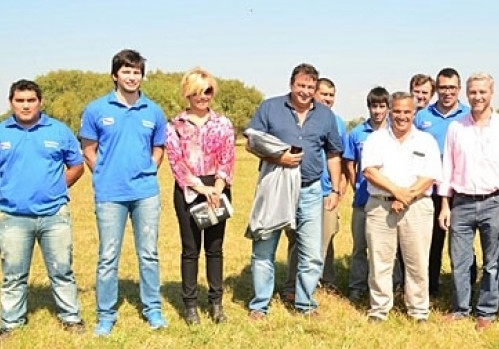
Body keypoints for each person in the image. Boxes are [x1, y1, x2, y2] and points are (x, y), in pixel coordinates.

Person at [79, 49, 168, 336]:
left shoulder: (153, 111)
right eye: (126, 71)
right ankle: (105, 314)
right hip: (109, 194)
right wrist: (104, 173)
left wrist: (150, 168)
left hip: (145, 193)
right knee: (108, 255)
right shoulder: (96, 109)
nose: (132, 77)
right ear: (115, 75)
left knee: (149, 253)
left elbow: (159, 148)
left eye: (137, 72)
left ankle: (153, 309)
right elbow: (88, 150)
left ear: (142, 77)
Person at [246, 63, 343, 319]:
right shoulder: (270, 107)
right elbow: (252, 142)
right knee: (264, 247)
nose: (305, 91)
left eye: (310, 87)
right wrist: (279, 158)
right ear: (292, 85)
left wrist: (335, 189)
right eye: (301, 85)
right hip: (276, 186)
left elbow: (334, 153)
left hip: (310, 190)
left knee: (311, 253)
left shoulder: (325, 115)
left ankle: (305, 304)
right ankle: (259, 305)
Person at [0, 80, 86, 338]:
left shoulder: (58, 131)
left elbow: (77, 165)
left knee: (62, 270)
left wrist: (57, 188)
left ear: (40, 102)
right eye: (20, 100)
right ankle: (11, 323)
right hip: (13, 216)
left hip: (54, 215)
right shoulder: (2, 132)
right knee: (13, 274)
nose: (25, 105)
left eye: (30, 100)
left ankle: (70, 318)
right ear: (11, 103)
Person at [438, 73, 499, 331]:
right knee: (459, 260)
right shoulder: (456, 128)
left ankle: (486, 310)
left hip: (494, 201)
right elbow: (447, 167)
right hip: (461, 202)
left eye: (482, 92)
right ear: (467, 93)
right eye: (473, 92)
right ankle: (461, 308)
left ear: (491, 93)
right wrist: (444, 205)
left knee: (492, 261)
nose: (478, 97)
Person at [362, 92, 442, 322]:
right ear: (389, 111)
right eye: (397, 111)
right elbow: (369, 171)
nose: (402, 116)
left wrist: (406, 196)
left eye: (407, 112)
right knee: (380, 260)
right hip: (381, 206)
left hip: (417, 206)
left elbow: (430, 176)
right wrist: (397, 192)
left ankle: (418, 310)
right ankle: (379, 309)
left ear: (414, 113)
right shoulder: (376, 139)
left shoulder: (426, 141)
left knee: (417, 261)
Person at [165, 68, 235, 325]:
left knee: (215, 249)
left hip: (218, 187)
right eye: (198, 92)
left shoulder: (223, 123)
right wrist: (200, 189)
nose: (203, 97)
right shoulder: (175, 125)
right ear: (188, 93)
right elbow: (176, 161)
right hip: (189, 191)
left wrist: (217, 187)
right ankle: (190, 305)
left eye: (208, 91)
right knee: (190, 249)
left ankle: (216, 304)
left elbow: (228, 157)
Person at [284, 77, 346, 298]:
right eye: (324, 94)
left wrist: (337, 189)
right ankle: (292, 285)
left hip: (326, 191)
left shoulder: (336, 122)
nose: (327, 99)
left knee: (326, 237)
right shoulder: (299, 118)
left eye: (331, 95)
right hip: (299, 188)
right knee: (297, 239)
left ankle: (326, 281)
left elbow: (341, 158)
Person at [414, 67, 470, 297]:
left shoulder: (468, 115)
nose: (447, 92)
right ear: (437, 89)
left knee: (462, 241)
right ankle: (431, 288)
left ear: (459, 89)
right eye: (443, 88)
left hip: (461, 188)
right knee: (433, 241)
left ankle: (466, 288)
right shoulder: (423, 116)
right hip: (431, 189)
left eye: (452, 88)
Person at [345, 86, 391, 302]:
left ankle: (392, 284)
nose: (378, 111)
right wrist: (356, 185)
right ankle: (357, 286)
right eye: (374, 106)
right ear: (369, 107)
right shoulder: (357, 133)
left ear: (388, 108)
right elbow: (349, 164)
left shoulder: (395, 132)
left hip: (389, 199)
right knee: (360, 246)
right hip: (363, 199)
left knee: (387, 248)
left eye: (382, 106)